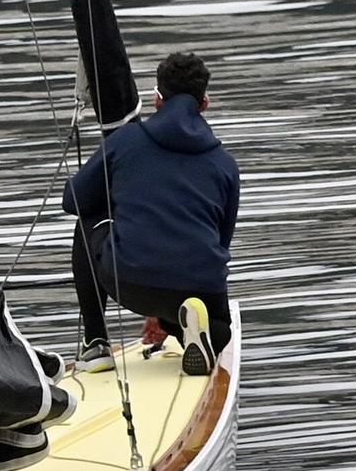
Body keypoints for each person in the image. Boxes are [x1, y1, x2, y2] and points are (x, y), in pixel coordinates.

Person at [64, 51, 239, 376]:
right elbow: (222, 240)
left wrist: (118, 194)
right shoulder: (225, 164)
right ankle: (194, 328)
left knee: (88, 216)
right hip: (200, 287)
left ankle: (96, 344)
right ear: (205, 104)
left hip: (130, 282)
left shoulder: (124, 141)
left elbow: (72, 200)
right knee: (220, 324)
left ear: (157, 100)